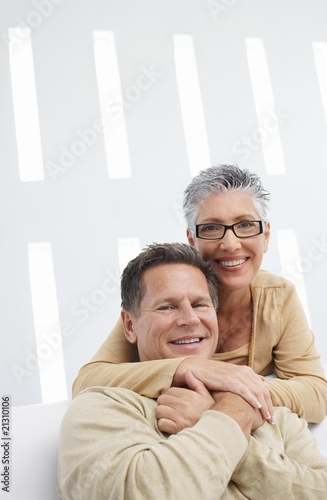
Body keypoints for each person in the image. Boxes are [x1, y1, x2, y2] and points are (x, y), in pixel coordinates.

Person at [58, 243, 327, 499]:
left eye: (200, 305)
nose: (190, 319)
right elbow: (148, 494)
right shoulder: (102, 408)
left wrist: (225, 413)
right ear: (129, 326)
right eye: (166, 307)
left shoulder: (273, 415)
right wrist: (231, 416)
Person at [72, 164, 327, 424]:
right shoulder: (164, 298)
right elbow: (87, 382)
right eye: (211, 229)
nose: (230, 244)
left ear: (266, 236)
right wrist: (189, 368)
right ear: (192, 240)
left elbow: (316, 394)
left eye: (246, 224)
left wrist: (229, 392)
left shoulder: (278, 297)